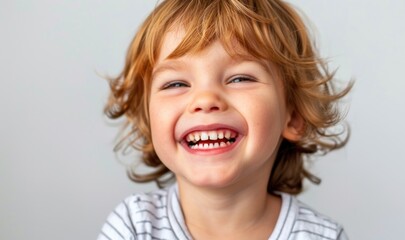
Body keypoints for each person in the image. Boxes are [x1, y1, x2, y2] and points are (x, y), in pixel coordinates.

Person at [98, 0, 352, 239]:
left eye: (240, 78)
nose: (205, 99)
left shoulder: (323, 236)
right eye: (176, 83)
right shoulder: (133, 227)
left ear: (294, 116)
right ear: (150, 119)